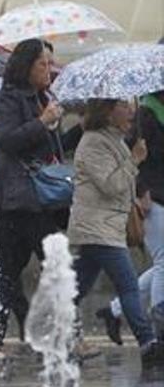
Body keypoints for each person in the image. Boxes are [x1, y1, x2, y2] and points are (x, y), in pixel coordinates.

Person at [0, 38, 71, 346]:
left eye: (50, 63)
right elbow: (7, 141)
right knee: (8, 274)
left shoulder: (44, 98)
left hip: (40, 202)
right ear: (26, 67)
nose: (49, 69)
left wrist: (73, 126)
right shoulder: (8, 99)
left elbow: (48, 150)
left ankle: (64, 338)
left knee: (54, 267)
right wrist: (42, 121)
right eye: (42, 64)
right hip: (14, 201)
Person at [67, 99, 163, 365]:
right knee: (129, 285)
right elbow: (111, 185)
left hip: (108, 226)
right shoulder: (94, 142)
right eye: (124, 106)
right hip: (97, 227)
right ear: (108, 112)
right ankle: (148, 342)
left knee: (75, 288)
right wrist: (134, 160)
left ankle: (56, 330)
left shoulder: (115, 140)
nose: (131, 111)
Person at [98, 90, 164, 344]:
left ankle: (114, 310)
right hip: (151, 198)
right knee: (162, 262)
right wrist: (140, 190)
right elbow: (128, 158)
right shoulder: (145, 115)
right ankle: (159, 326)